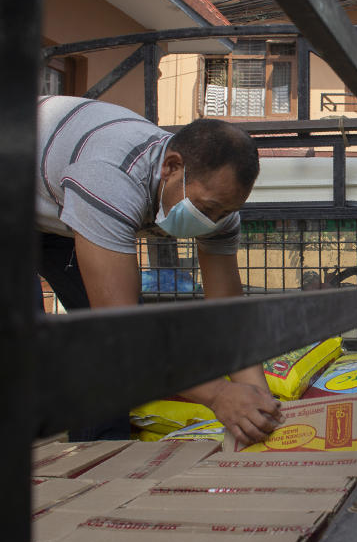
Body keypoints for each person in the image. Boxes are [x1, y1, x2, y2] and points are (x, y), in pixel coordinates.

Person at [35, 95, 282, 444]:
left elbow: (230, 317)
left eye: (224, 213)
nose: (212, 223)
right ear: (171, 166)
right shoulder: (110, 179)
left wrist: (258, 402)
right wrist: (218, 396)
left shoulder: (219, 209)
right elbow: (120, 331)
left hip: (54, 208)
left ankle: (102, 455)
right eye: (206, 207)